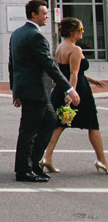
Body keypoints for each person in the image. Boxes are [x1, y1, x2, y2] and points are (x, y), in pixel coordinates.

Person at [9, 0, 79, 182]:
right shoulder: (36, 36)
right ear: (34, 15)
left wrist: (15, 90)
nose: (47, 16)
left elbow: (12, 65)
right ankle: (23, 171)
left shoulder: (17, 34)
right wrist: (69, 88)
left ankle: (34, 164)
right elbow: (49, 65)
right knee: (28, 131)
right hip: (36, 91)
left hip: (28, 90)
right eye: (44, 13)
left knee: (50, 120)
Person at [41, 17, 107, 174]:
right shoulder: (76, 50)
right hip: (78, 91)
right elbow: (73, 73)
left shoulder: (60, 48)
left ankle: (47, 157)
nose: (82, 32)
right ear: (72, 32)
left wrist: (92, 80)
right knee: (93, 125)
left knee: (59, 124)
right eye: (80, 30)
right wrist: (72, 93)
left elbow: (65, 71)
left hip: (62, 89)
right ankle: (102, 160)